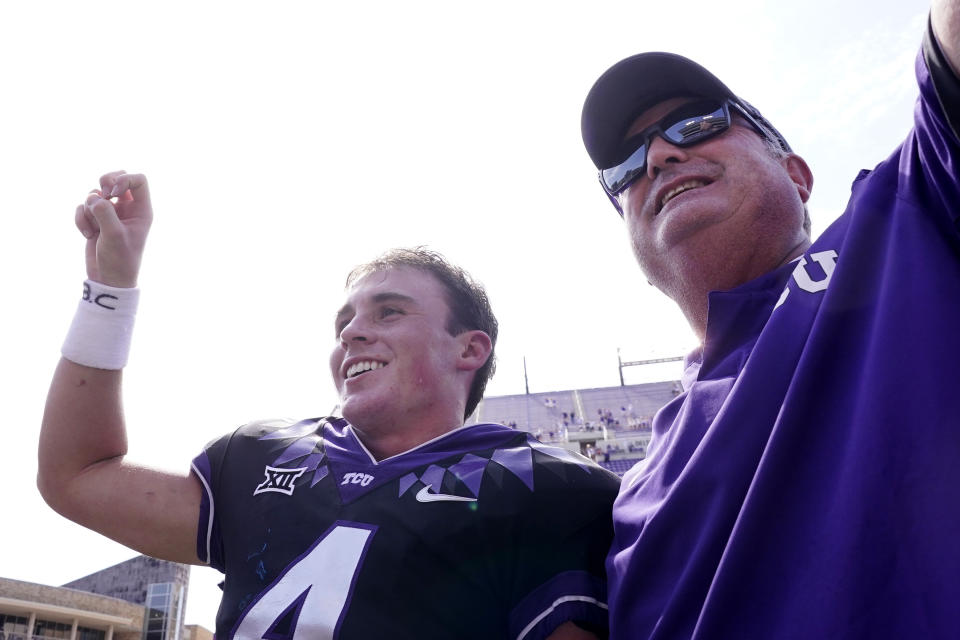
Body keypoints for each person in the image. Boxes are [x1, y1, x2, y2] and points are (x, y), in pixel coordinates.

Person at [38, 173, 620, 640]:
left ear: (469, 348)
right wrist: (110, 290)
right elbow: (77, 478)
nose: (353, 334)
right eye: (345, 322)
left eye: (389, 312)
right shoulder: (263, 454)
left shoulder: (547, 487)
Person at [580, 2, 959, 638]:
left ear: (797, 174)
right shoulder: (627, 502)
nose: (658, 157)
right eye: (624, 167)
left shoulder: (909, 217)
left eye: (697, 123)